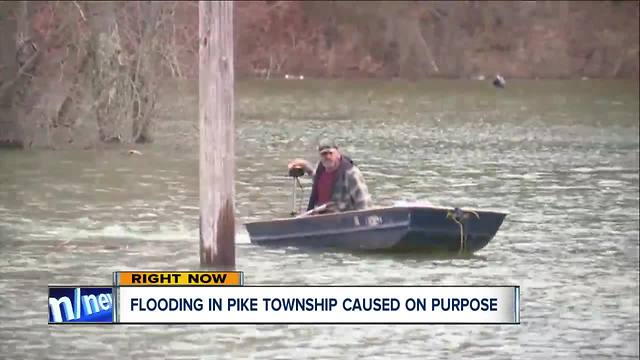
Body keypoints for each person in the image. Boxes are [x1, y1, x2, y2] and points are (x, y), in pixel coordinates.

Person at [288, 140, 372, 214]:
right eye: (324, 154)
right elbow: (321, 183)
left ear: (338, 154)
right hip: (318, 218)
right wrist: (305, 165)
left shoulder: (351, 172)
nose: (327, 157)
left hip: (341, 219)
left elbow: (364, 202)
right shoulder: (321, 169)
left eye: (330, 153)